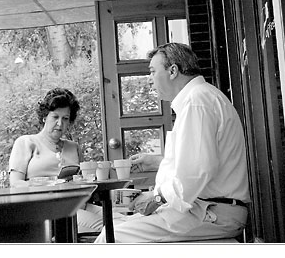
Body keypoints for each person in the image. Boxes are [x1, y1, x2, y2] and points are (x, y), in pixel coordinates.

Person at [95, 42, 250, 243]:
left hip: (211, 212)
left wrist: (156, 198)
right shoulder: (201, 97)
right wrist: (157, 162)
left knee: (111, 238)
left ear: (173, 71)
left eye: (152, 71)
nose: (150, 80)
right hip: (207, 209)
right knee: (114, 224)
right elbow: (203, 161)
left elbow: (197, 171)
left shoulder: (197, 102)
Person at [8, 87, 103, 233]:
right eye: (55, 117)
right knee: (106, 226)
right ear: (45, 117)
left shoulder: (74, 147)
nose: (60, 123)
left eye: (65, 118)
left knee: (122, 219)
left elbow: (84, 182)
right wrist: (46, 183)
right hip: (44, 210)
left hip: (77, 205)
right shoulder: (26, 142)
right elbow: (15, 184)